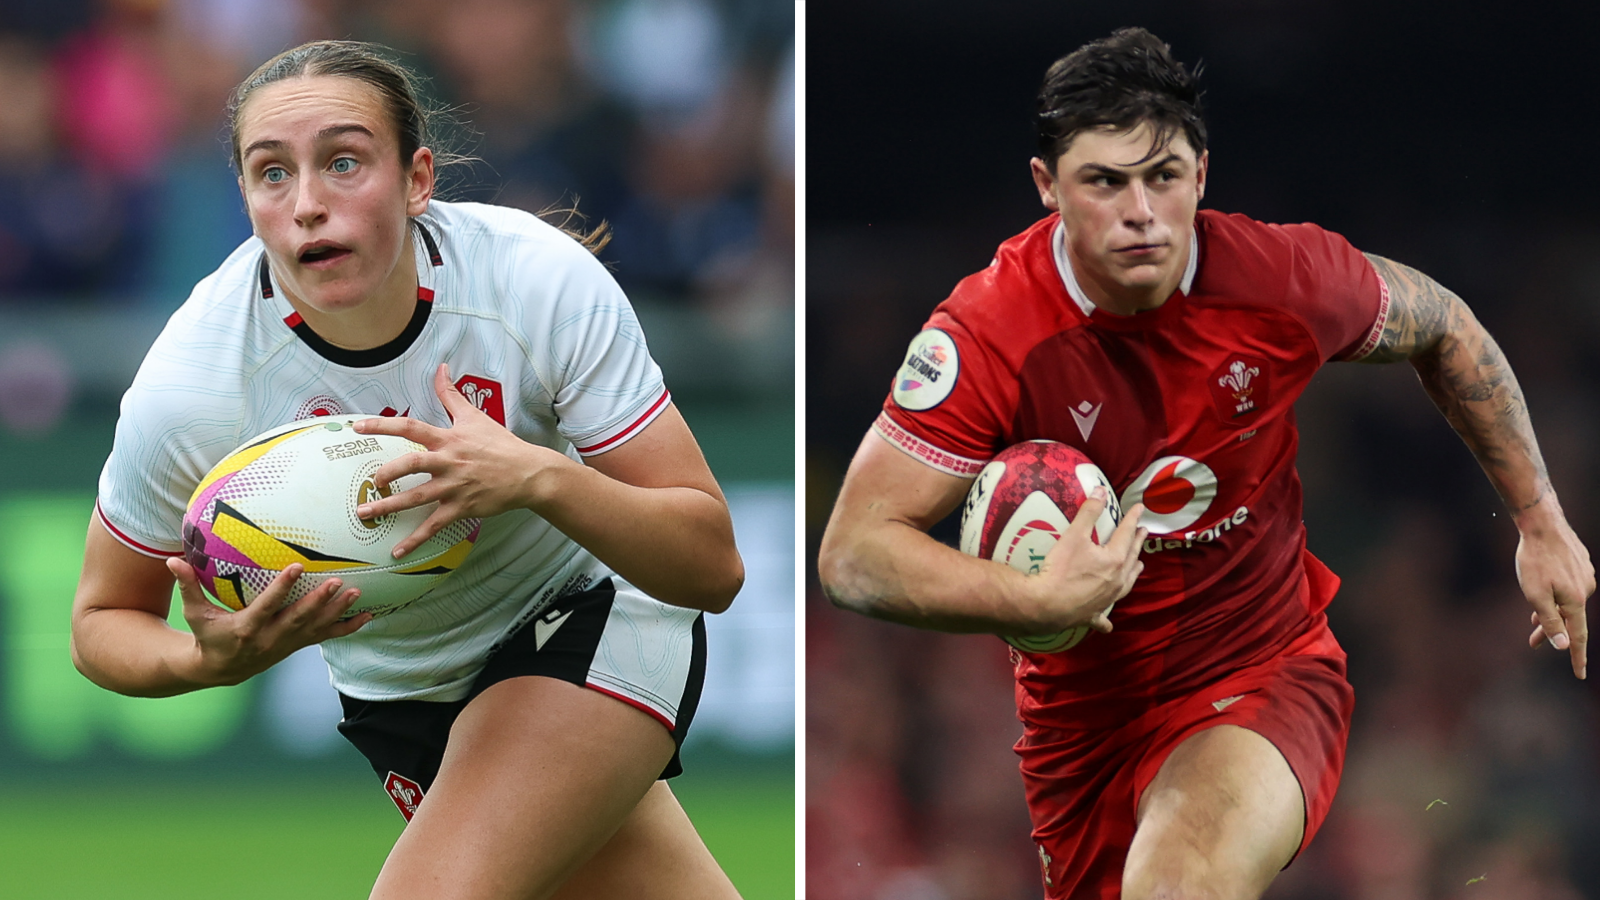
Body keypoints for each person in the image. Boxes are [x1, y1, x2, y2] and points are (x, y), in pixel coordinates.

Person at [817, 27, 1595, 900]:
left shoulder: (1278, 278)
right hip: (1080, 735)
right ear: (1047, 187)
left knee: (1179, 880)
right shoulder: (989, 331)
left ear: (1202, 174)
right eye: (1105, 182)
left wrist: (1540, 519)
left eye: (1164, 177)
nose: (1141, 212)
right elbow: (854, 554)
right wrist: (1033, 601)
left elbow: (1445, 326)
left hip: (1263, 673)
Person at [70, 40, 746, 900]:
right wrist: (207, 665)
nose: (308, 203)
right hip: (401, 699)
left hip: (591, 609)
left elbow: (711, 565)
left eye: (344, 162)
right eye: (271, 174)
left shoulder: (531, 281)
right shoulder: (195, 385)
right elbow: (101, 620)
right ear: (245, 198)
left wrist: (536, 476)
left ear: (418, 179)